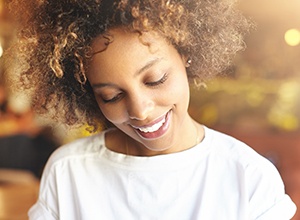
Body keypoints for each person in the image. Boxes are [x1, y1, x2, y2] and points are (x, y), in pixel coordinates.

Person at [6, 0, 296, 219]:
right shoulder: (69, 172)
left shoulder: (248, 176)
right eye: (111, 96)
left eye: (156, 79)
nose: (141, 111)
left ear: (185, 53)